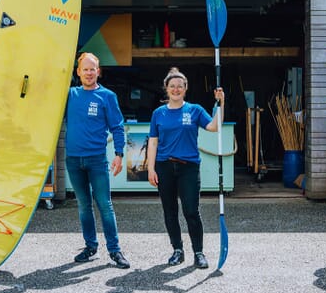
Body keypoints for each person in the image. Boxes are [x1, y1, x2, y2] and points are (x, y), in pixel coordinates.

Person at [146, 67, 225, 269]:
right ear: (166, 88)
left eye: (180, 86)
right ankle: (177, 250)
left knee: (191, 211)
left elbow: (214, 127)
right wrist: (151, 169)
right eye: (172, 86)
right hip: (164, 167)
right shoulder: (158, 113)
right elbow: (153, 142)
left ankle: (198, 252)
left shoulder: (194, 110)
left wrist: (220, 103)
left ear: (185, 89)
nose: (176, 89)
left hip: (188, 167)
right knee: (170, 211)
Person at [65, 52, 130, 269]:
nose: (89, 73)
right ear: (78, 72)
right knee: (84, 205)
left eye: (93, 69)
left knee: (105, 204)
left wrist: (119, 154)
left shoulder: (107, 97)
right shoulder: (69, 95)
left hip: (96, 160)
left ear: (98, 71)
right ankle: (90, 246)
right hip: (73, 160)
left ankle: (115, 250)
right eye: (85, 69)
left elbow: (117, 127)